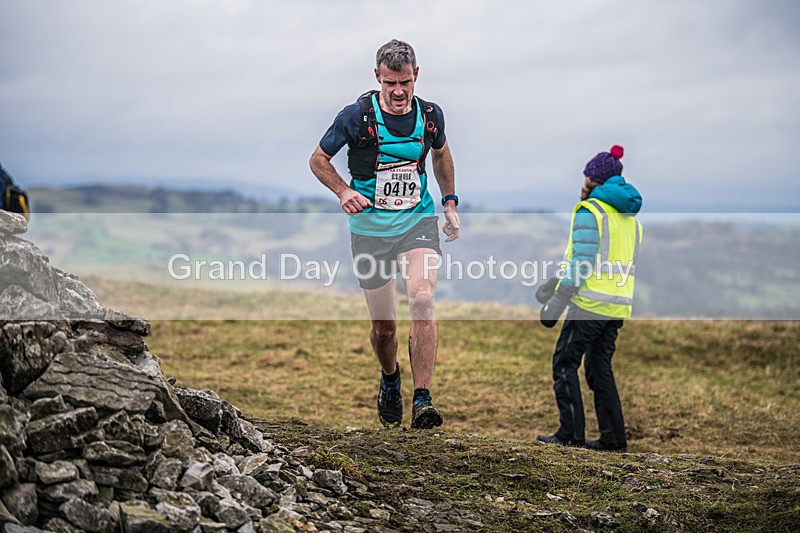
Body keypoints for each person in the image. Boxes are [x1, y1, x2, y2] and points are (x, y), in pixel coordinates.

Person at [309, 39, 460, 429]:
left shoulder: (430, 116)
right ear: (378, 76)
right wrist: (343, 191)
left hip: (417, 222)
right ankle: (390, 377)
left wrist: (449, 202)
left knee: (423, 298)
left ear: (416, 77)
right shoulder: (356, 117)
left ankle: (423, 398)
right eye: (390, 82)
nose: (398, 91)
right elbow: (318, 160)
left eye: (405, 82)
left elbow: (441, 155)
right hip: (370, 230)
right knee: (384, 327)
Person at [536, 145, 642, 452]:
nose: (584, 181)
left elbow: (583, 262)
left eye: (586, 176)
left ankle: (570, 434)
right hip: (617, 304)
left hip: (589, 305)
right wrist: (557, 282)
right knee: (599, 367)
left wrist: (558, 301)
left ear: (594, 179)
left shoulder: (591, 210)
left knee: (564, 363)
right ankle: (613, 437)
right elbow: (603, 259)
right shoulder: (628, 218)